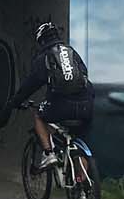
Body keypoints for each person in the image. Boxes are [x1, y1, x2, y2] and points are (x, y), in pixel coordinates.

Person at [10, 20, 93, 167]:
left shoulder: (44, 58)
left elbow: (30, 85)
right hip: (86, 104)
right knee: (79, 144)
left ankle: (49, 154)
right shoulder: (71, 52)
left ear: (41, 41)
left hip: (61, 106)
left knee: (39, 116)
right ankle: (84, 185)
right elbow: (84, 74)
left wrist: (15, 102)